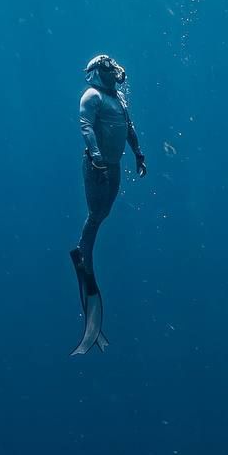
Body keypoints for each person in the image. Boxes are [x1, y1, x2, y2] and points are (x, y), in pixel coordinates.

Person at [68, 54, 145, 355]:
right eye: (108, 69)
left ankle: (85, 251)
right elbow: (86, 126)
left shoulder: (119, 99)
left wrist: (138, 153)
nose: (115, 72)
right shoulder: (92, 96)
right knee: (95, 214)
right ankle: (83, 253)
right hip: (97, 165)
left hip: (114, 166)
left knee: (104, 213)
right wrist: (96, 156)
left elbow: (128, 127)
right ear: (99, 72)